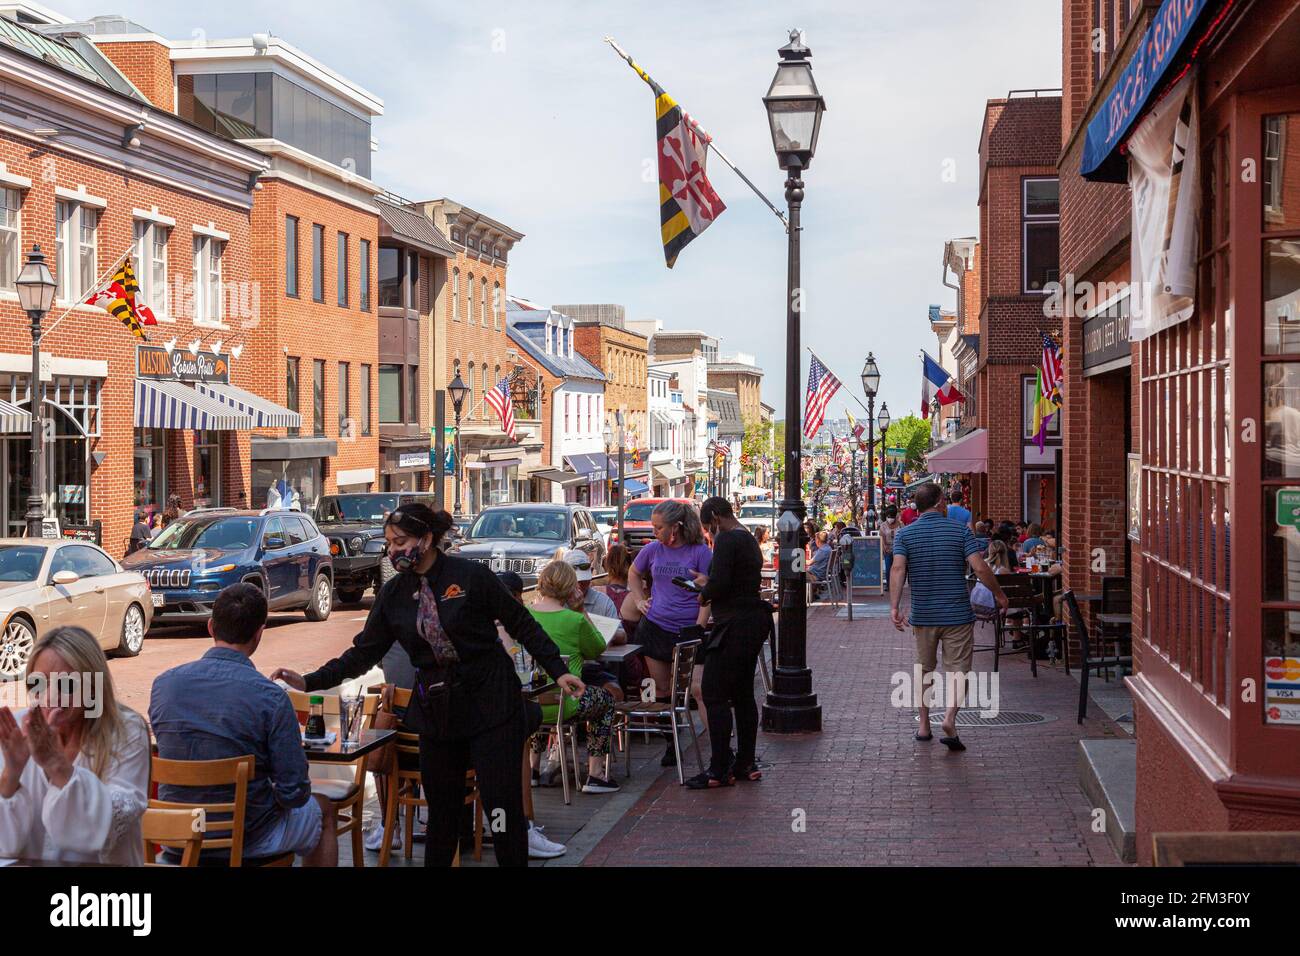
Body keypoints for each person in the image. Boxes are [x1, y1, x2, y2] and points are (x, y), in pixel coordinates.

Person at [271, 504, 582, 867]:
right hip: (439, 713)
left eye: (401, 541)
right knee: (442, 814)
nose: (393, 550)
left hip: (492, 705)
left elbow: (521, 623)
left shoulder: (470, 576)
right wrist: (309, 680)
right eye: (389, 543)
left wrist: (558, 670)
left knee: (501, 809)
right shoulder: (394, 595)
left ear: (428, 538)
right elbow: (362, 653)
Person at [151, 583, 336, 866]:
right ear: (259, 633)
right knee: (323, 810)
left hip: (176, 835)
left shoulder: (164, 685)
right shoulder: (271, 697)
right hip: (249, 839)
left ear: (211, 627)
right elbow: (296, 791)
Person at [0, 626, 149, 865]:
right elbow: (5, 846)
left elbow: (109, 827)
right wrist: (11, 773)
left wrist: (56, 765)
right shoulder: (19, 729)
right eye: (38, 684)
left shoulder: (125, 731)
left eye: (66, 686)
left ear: (93, 686)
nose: (49, 697)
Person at [889, 483, 1007, 752]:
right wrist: (999, 594)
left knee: (924, 669)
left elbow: (897, 568)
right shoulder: (959, 531)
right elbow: (979, 567)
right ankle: (950, 718)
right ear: (941, 502)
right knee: (959, 671)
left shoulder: (904, 535)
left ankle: (923, 725)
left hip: (923, 614)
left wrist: (894, 607)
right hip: (957, 614)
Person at [689, 497, 771, 789]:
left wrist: (702, 591)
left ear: (714, 517)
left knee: (712, 692)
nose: (709, 532)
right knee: (743, 693)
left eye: (708, 526)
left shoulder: (725, 539)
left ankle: (719, 768)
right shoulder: (747, 538)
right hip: (753, 622)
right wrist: (709, 582)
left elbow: (720, 584)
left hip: (733, 624)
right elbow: (736, 579)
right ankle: (745, 762)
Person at [626, 499, 714, 765]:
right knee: (663, 690)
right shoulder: (653, 550)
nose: (655, 532)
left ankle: (720, 745)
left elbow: (709, 593)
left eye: (659, 527)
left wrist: (699, 625)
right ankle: (671, 743)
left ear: (675, 527)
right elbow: (633, 572)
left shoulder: (700, 552)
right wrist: (640, 599)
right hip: (656, 626)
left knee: (697, 689)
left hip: (689, 628)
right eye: (653, 527)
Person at [492, 571, 567, 860]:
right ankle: (522, 826)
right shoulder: (499, 625)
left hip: (437, 732)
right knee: (520, 723)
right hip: (483, 728)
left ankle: (392, 823)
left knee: (522, 719)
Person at [528, 561, 619, 794]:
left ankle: (533, 768)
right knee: (606, 701)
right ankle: (596, 774)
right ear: (570, 587)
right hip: (568, 701)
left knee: (541, 698)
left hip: (530, 701)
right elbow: (597, 648)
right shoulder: (575, 620)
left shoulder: (526, 615)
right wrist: (580, 610)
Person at [879, 506, 900, 589]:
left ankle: (897, 584)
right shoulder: (883, 525)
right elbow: (882, 537)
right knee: (888, 568)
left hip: (898, 550)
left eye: (892, 517)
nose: (890, 519)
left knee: (897, 568)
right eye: (888, 517)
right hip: (887, 550)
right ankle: (888, 585)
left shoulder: (901, 524)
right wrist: (884, 547)